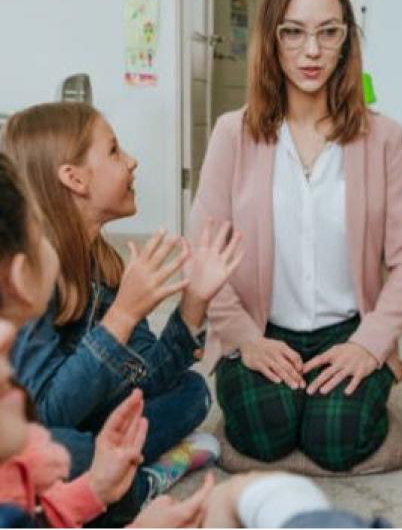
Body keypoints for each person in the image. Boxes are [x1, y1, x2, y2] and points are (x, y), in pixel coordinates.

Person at [189, 0, 402, 471]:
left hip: (348, 326)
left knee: (335, 441)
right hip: (260, 324)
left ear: (347, 39)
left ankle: (361, 389)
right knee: (262, 434)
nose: (312, 50)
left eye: (328, 32)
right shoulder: (233, 132)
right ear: (272, 39)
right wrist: (247, 340)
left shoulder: (385, 137)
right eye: (293, 32)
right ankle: (289, 399)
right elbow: (201, 252)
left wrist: (369, 344)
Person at [2, 103, 242, 525]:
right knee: (65, 449)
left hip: (90, 423)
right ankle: (134, 487)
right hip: (40, 433)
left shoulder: (105, 265)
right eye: (113, 151)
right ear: (74, 178)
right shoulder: (32, 282)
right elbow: (43, 416)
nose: (131, 161)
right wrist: (122, 316)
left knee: (193, 391)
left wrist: (194, 303)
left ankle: (113, 470)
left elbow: (149, 376)